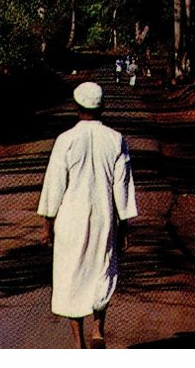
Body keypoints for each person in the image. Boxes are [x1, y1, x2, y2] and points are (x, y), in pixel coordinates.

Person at [37, 80, 138, 349]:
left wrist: (48, 223)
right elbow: (123, 187)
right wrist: (124, 227)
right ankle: (98, 329)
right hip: (104, 217)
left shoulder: (66, 140)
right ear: (102, 107)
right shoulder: (116, 140)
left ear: (76, 107)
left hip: (71, 219)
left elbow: (54, 184)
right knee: (101, 270)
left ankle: (78, 341)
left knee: (72, 274)